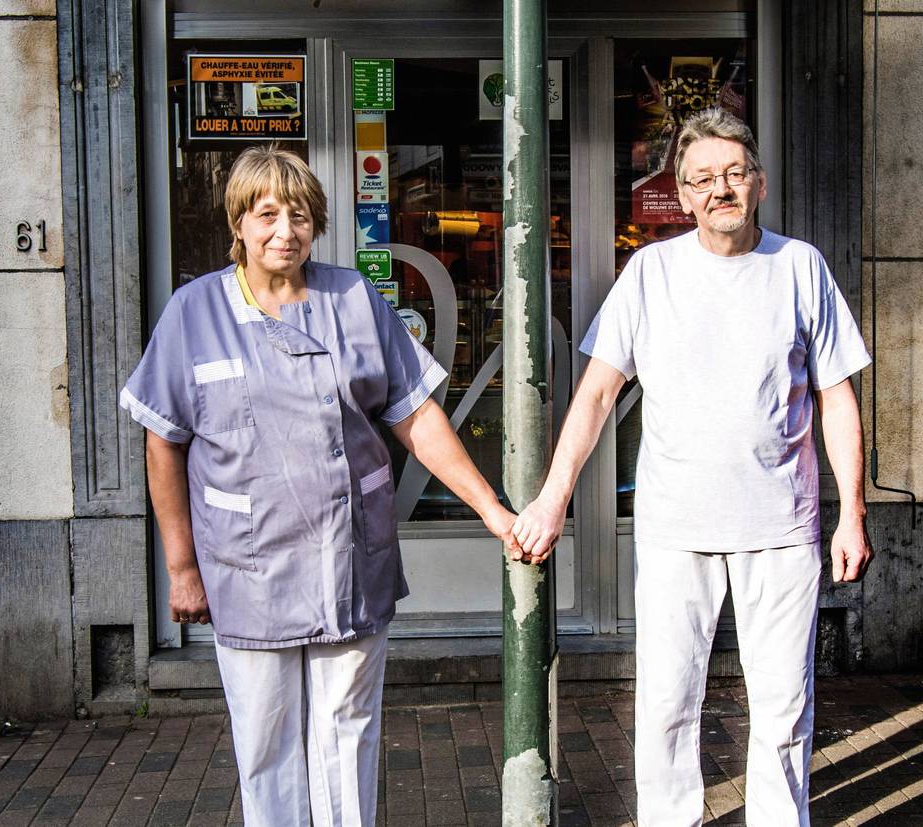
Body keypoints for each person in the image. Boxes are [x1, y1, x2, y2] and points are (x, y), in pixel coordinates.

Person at [119, 148, 518, 827]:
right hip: (247, 565)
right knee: (267, 741)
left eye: (299, 214)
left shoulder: (353, 298)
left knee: (347, 730)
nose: (285, 230)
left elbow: (418, 419)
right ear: (238, 223)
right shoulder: (194, 312)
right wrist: (181, 569)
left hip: (346, 557)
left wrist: (492, 509)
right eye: (266, 213)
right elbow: (164, 442)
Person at [510, 108, 873, 826]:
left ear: (759, 182)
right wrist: (553, 500)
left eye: (734, 173)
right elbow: (595, 395)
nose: (721, 188)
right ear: (681, 196)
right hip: (676, 525)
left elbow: (837, 398)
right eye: (703, 178)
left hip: (782, 524)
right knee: (669, 702)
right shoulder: (651, 272)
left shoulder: (800, 266)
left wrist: (852, 512)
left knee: (783, 703)